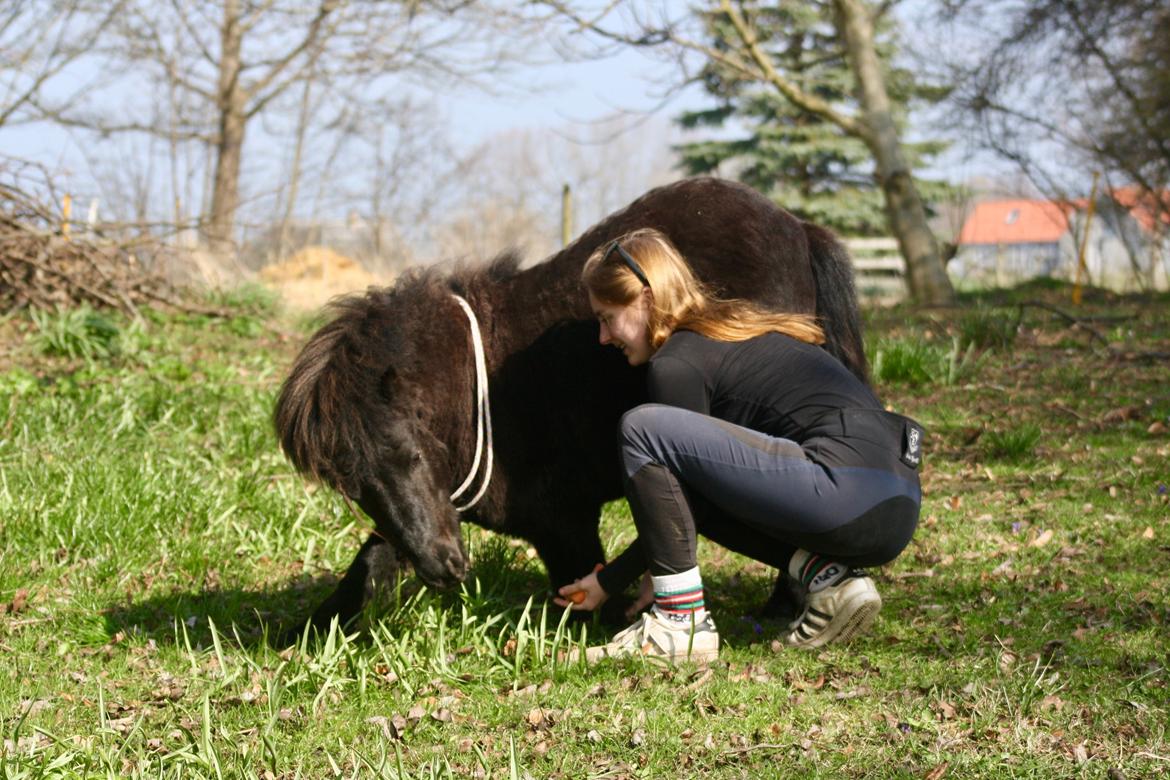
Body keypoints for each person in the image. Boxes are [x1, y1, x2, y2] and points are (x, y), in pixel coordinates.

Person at [554, 228, 923, 664]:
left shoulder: (675, 365)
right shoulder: (731, 333)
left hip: (843, 489)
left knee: (642, 428)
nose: (602, 337)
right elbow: (696, 500)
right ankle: (831, 579)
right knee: (702, 483)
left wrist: (612, 580)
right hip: (895, 501)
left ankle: (679, 624)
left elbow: (684, 501)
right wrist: (654, 563)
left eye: (606, 318)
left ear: (647, 300)